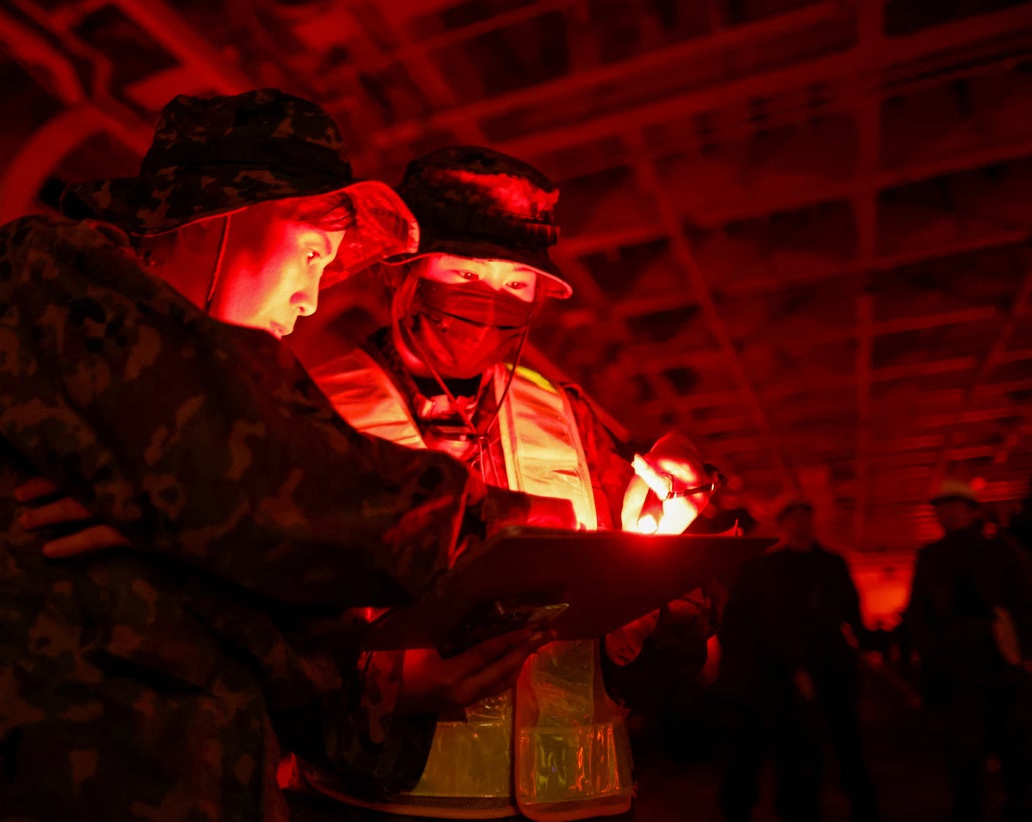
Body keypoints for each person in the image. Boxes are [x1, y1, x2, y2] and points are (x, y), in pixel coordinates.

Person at [0, 90, 560, 822]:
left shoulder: (187, 455)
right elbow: (257, 480)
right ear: (223, 217)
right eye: (312, 254)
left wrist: (394, 689)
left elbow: (252, 602)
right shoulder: (41, 275)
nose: (311, 300)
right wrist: (499, 525)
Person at [259, 146, 717, 820]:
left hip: (577, 803)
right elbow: (256, 624)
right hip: (373, 805)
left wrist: (673, 562)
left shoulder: (571, 419)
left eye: (518, 283)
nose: (490, 300)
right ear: (401, 273)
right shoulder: (311, 409)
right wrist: (385, 690)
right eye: (465, 272)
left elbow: (669, 640)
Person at [716, 500, 878, 822]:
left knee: (819, 743)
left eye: (804, 516)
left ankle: (843, 802)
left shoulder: (803, 567)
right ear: (784, 523)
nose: (801, 523)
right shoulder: (773, 568)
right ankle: (834, 803)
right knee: (805, 745)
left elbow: (848, 611)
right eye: (794, 517)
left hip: (811, 667)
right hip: (784, 669)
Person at [906, 478, 1032, 821]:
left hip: (995, 660)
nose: (947, 512)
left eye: (953, 505)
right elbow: (918, 611)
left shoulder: (999, 549)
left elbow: (1023, 601)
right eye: (942, 507)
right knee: (968, 749)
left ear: (972, 510)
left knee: (1008, 744)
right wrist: (932, 651)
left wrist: (1023, 651)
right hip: (960, 663)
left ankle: (1008, 804)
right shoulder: (933, 556)